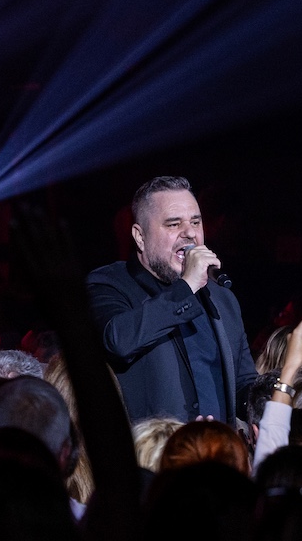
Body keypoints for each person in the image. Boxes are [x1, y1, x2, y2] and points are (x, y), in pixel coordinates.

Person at [86, 176, 258, 426]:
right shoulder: (110, 283)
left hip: (218, 448)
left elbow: (243, 382)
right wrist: (186, 286)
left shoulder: (222, 298)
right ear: (140, 236)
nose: (190, 233)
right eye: (174, 224)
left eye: (195, 222)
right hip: (152, 449)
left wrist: (275, 393)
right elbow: (118, 342)